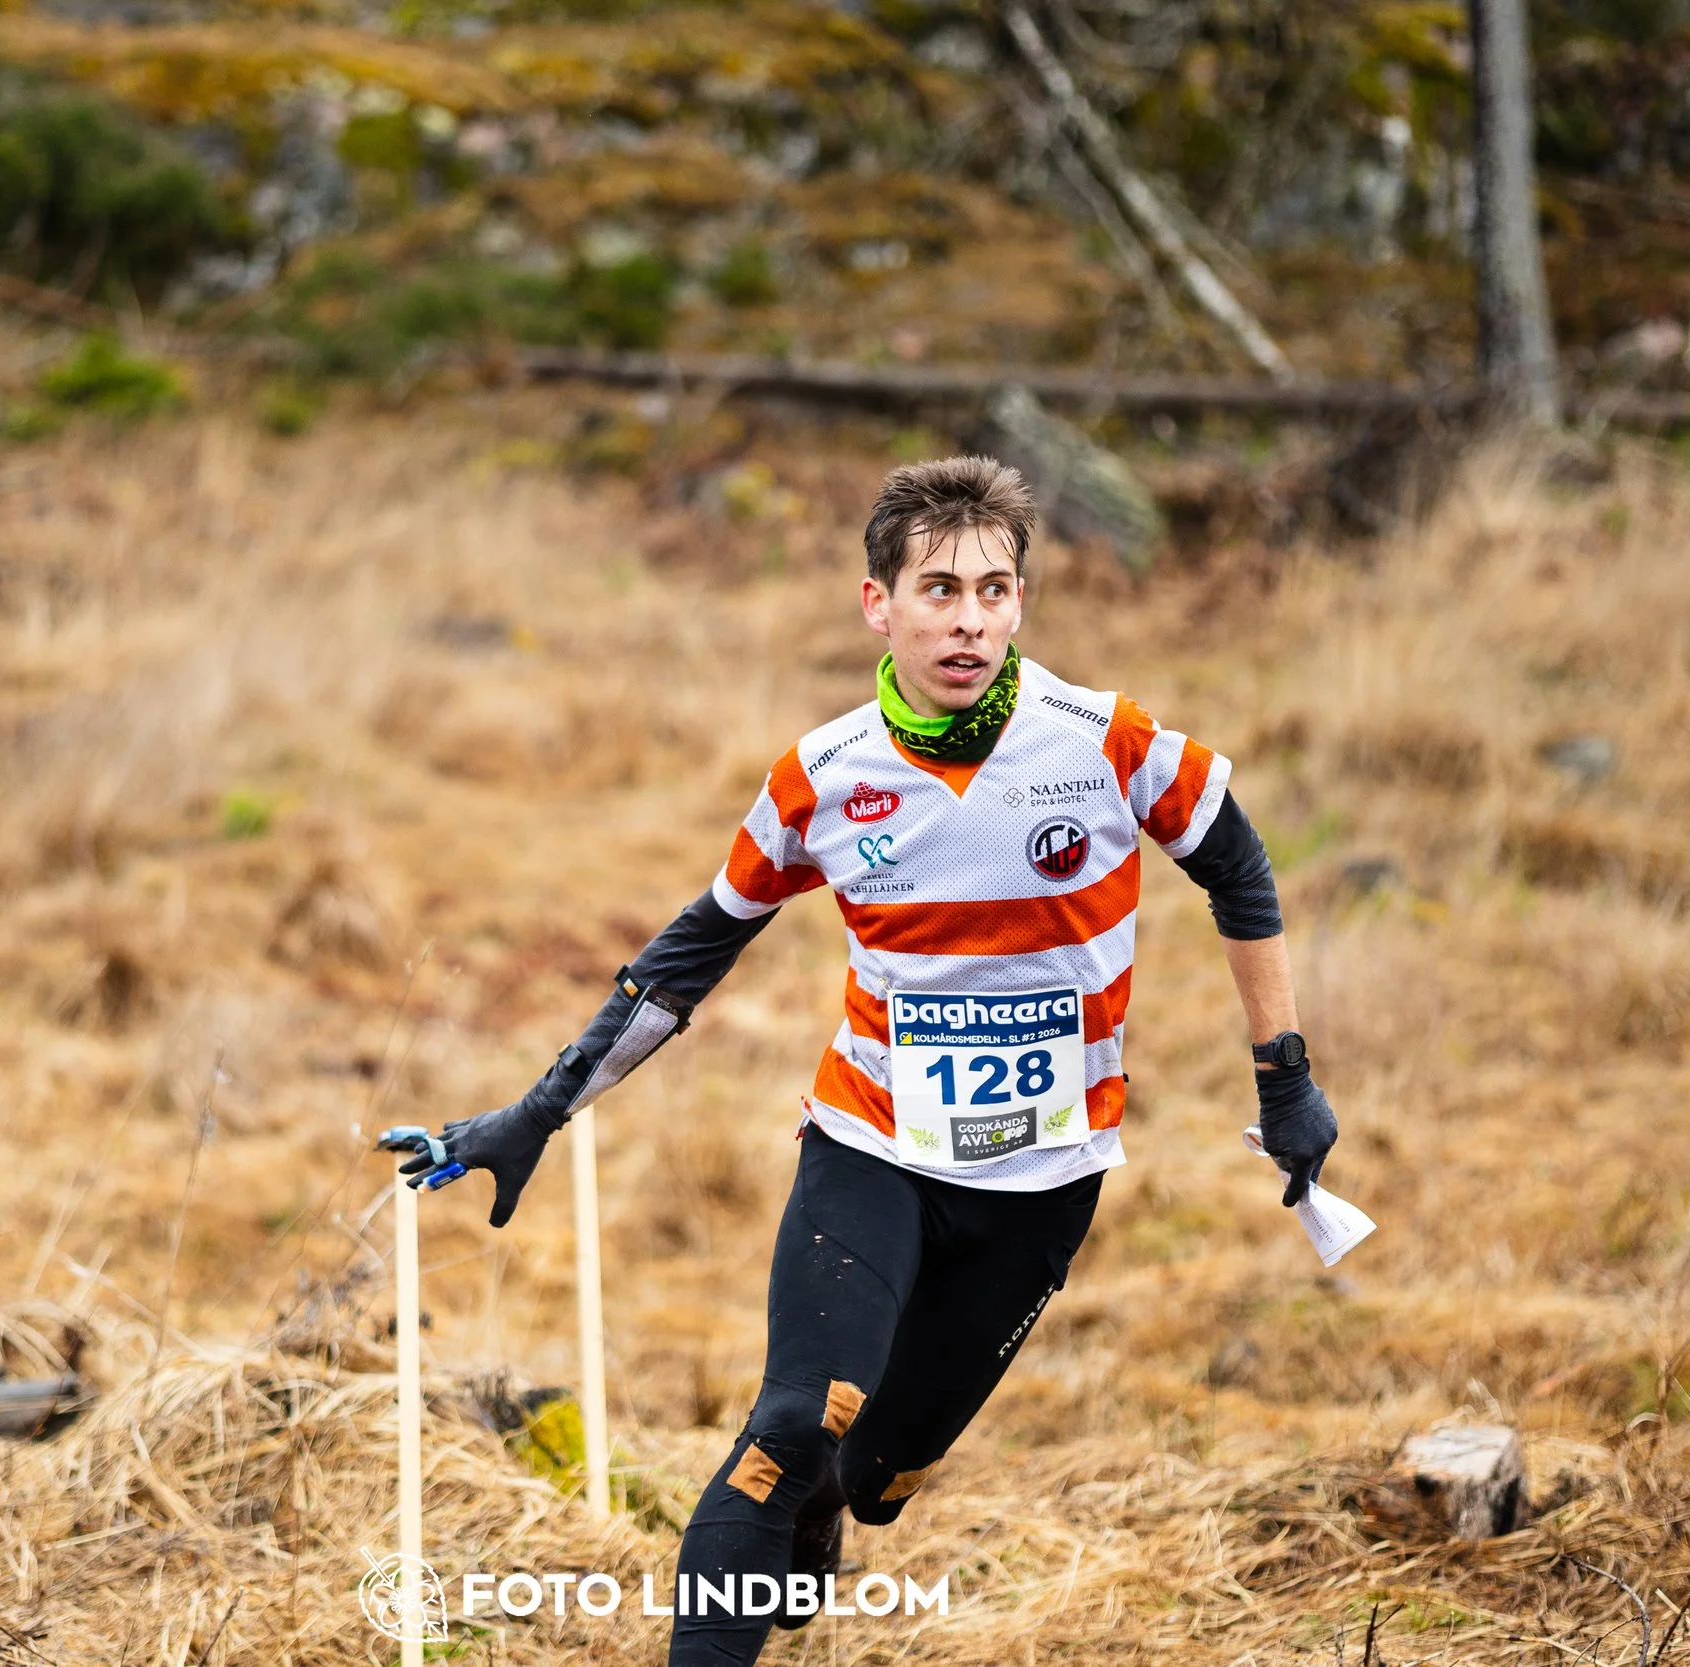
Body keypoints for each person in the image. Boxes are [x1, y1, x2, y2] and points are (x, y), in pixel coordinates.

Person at [392, 456, 1339, 1665]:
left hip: (1044, 1178)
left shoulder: (1109, 743)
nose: (969, 619)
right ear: (875, 604)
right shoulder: (825, 773)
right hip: (870, 1145)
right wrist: (536, 1110)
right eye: (937, 589)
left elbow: (1239, 870)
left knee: (879, 1467)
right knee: (789, 1425)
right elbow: (693, 949)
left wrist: (1286, 1076)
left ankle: (837, 1499)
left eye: (995, 590)